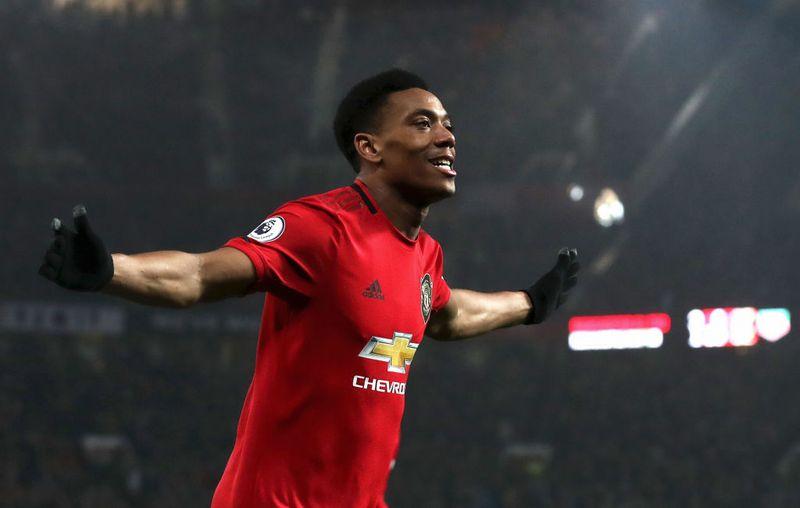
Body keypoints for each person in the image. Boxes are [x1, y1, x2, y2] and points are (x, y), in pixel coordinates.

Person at [38, 69, 580, 507]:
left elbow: (446, 313)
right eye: (423, 124)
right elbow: (203, 274)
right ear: (370, 147)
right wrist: (111, 270)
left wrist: (530, 303)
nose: (447, 137)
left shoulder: (425, 255)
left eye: (448, 125)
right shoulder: (321, 226)